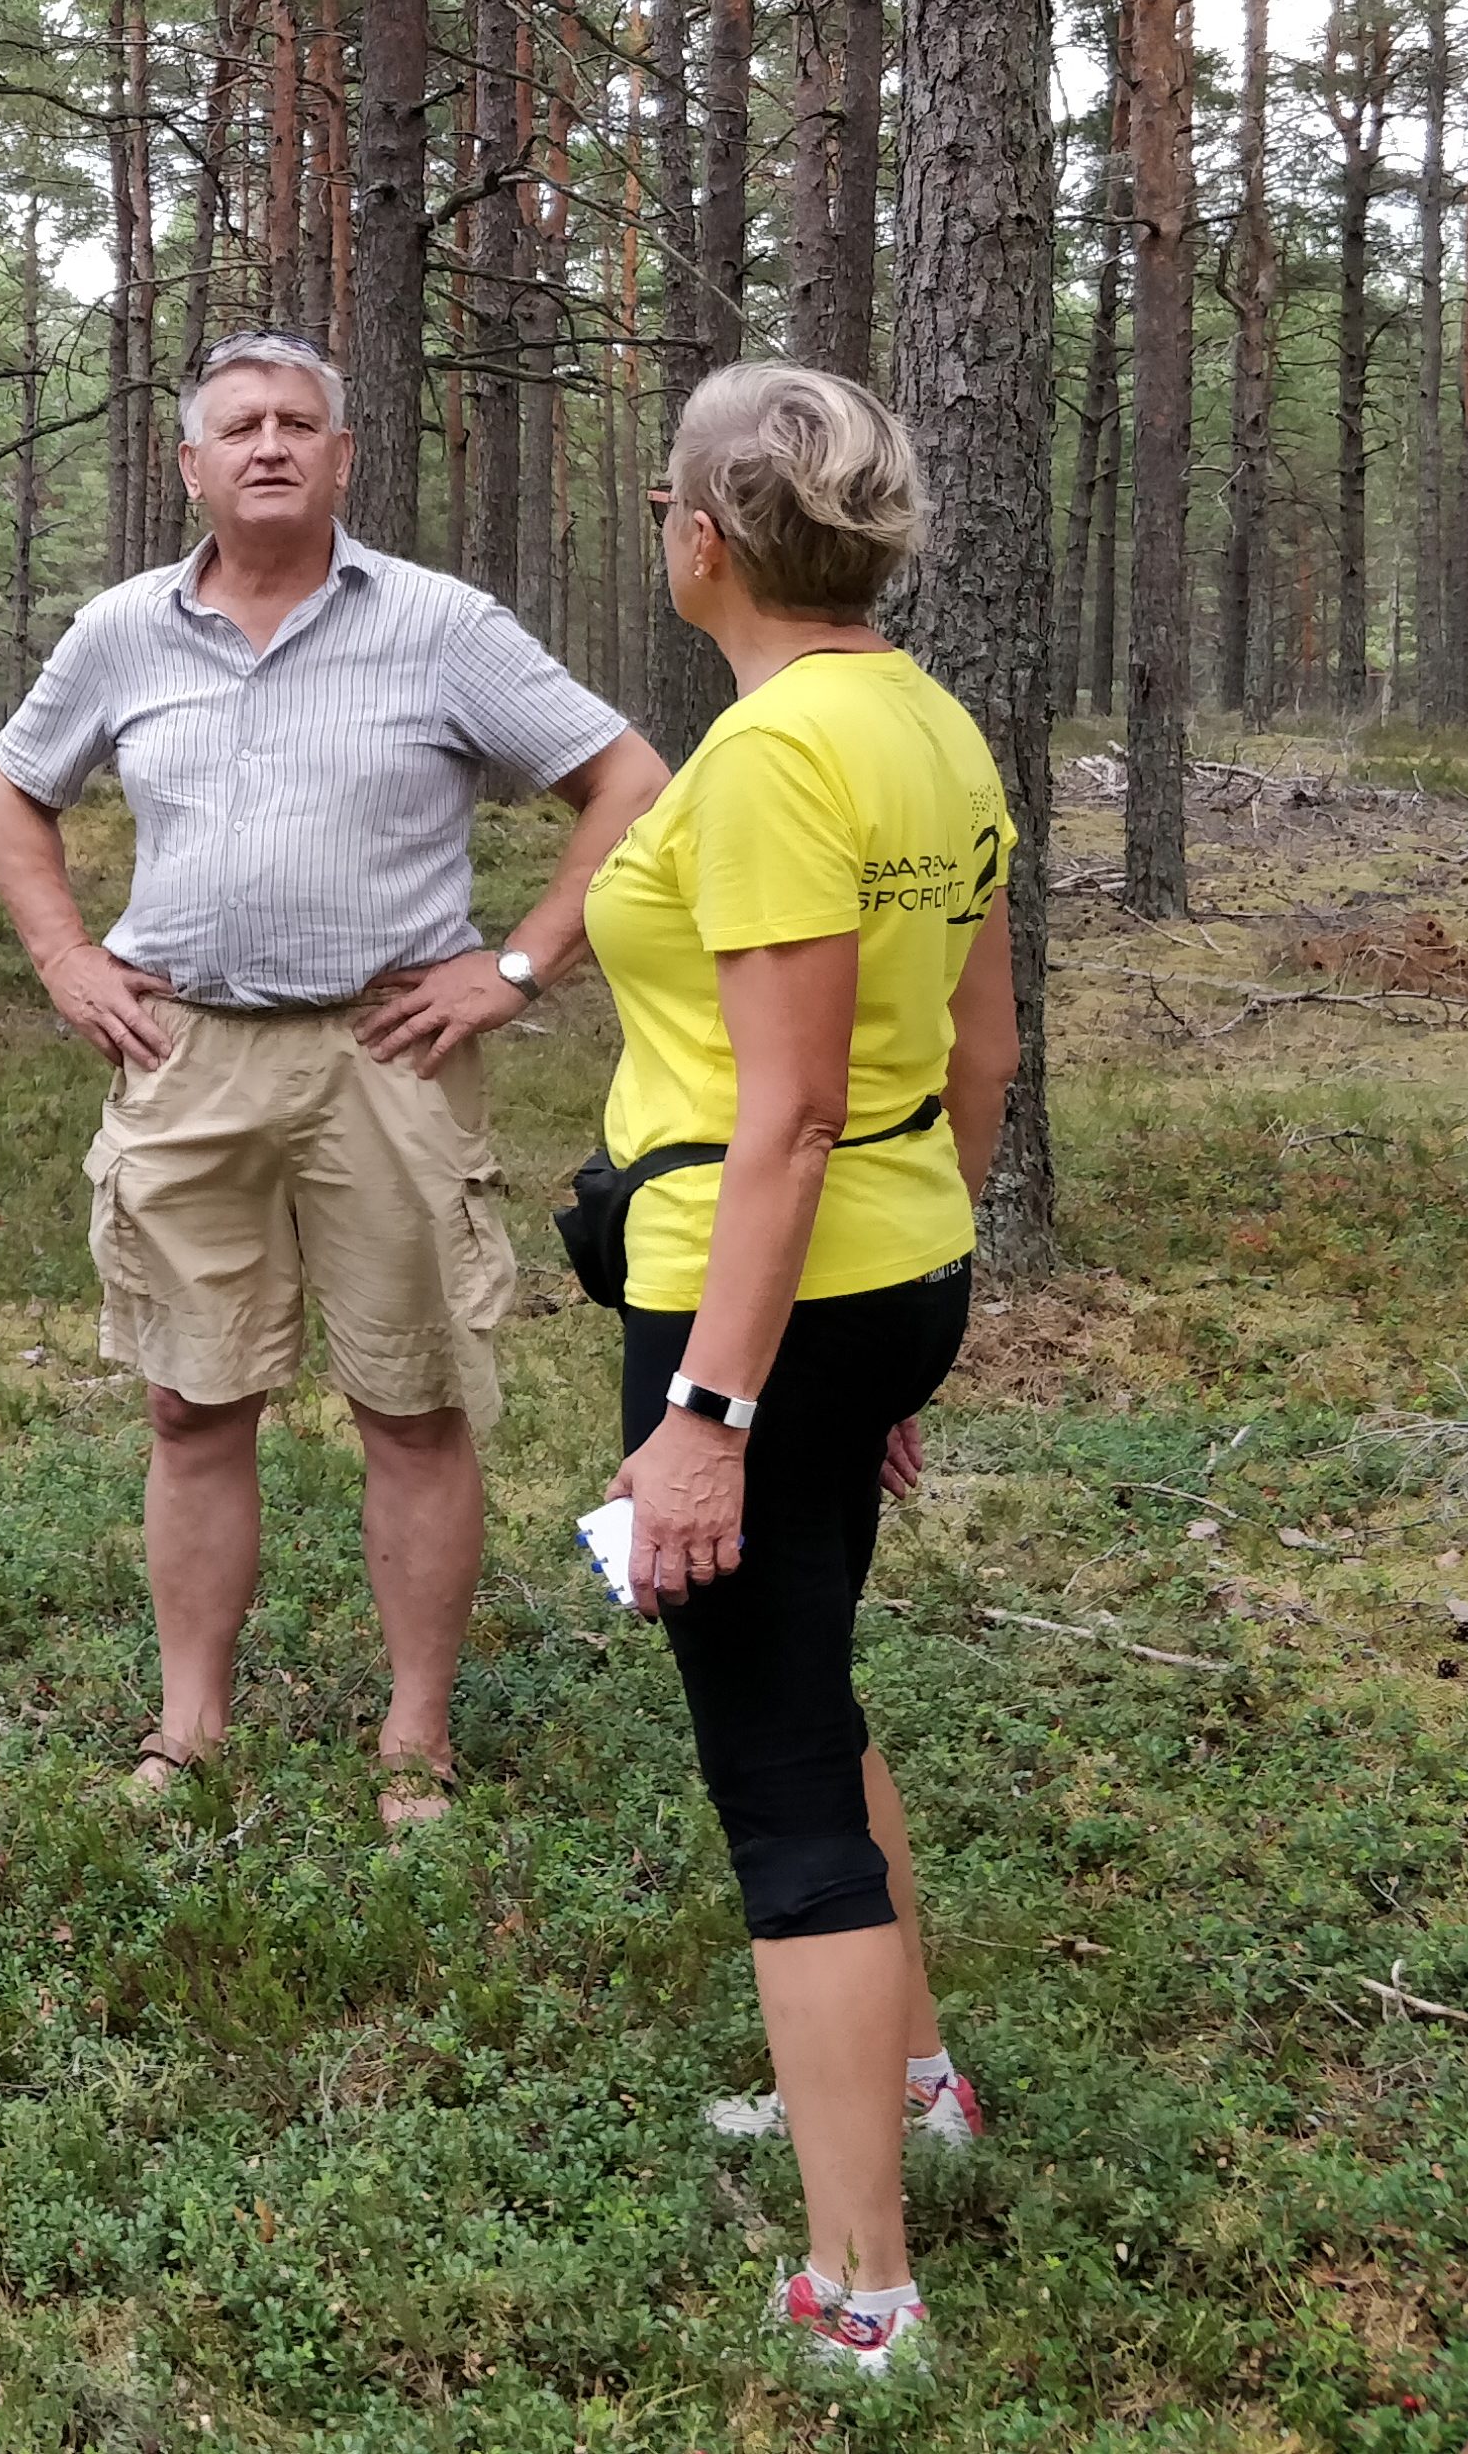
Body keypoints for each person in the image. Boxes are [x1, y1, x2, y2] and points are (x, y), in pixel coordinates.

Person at [0, 334, 668, 1824]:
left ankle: (415, 1740)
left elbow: (628, 780)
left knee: (411, 1405)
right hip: (186, 1058)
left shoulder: (440, 625)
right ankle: (188, 1729)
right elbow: (12, 787)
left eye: (300, 423)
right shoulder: (121, 632)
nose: (270, 445)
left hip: (388, 1057)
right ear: (191, 467)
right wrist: (64, 959)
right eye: (238, 427)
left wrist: (518, 965)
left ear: (345, 459)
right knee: (188, 1404)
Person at [585, 361, 1017, 2376]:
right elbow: (979, 1054)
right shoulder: (927, 720)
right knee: (814, 1684)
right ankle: (908, 2080)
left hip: (751, 1305)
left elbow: (789, 1114)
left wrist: (710, 1415)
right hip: (888, 1273)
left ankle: (862, 2290)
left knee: (774, 1774)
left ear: (701, 541)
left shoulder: (768, 757)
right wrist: (905, 1320)